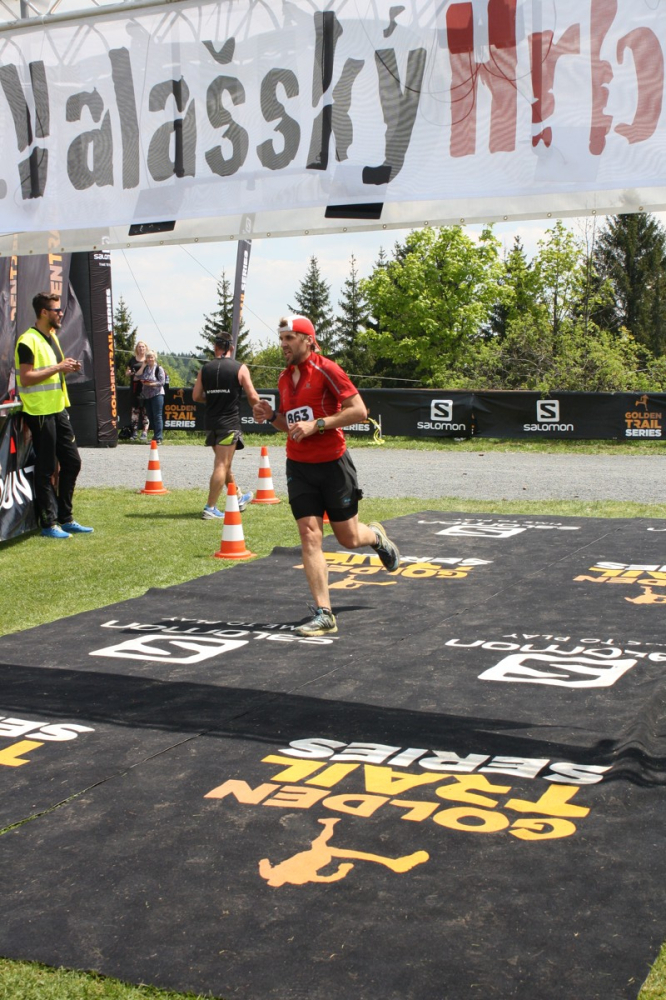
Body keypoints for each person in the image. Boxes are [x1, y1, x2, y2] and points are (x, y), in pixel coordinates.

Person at [252, 314, 400, 636]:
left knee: (349, 538)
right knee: (309, 535)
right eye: (281, 339)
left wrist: (317, 424)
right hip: (299, 466)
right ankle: (325, 614)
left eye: (289, 338)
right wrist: (272, 416)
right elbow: (290, 426)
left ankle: (376, 537)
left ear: (308, 340)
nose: (283, 345)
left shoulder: (327, 369)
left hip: (333, 465)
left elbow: (359, 411)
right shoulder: (283, 378)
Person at [14, 292, 93, 538]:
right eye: (57, 310)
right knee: (46, 468)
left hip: (58, 408)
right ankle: (49, 523)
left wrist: (66, 368)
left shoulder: (52, 337)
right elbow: (26, 378)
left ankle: (65, 518)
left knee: (72, 462)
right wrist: (58, 367)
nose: (61, 314)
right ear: (44, 312)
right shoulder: (28, 340)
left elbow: (51, 372)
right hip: (39, 411)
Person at [192, 333, 261, 517]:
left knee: (225, 463)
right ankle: (210, 507)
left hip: (211, 423)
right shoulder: (240, 368)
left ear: (215, 347)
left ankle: (237, 497)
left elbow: (196, 396)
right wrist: (261, 410)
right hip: (229, 423)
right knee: (222, 464)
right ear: (231, 347)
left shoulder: (205, 369)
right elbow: (252, 396)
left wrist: (213, 397)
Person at [135, 350, 165, 444]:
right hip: (147, 395)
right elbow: (137, 377)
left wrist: (151, 384)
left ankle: (158, 437)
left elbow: (162, 382)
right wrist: (143, 365)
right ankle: (155, 436)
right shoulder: (146, 368)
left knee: (157, 416)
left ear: (155, 358)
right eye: (148, 357)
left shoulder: (159, 368)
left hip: (157, 394)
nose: (150, 359)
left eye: (151, 357)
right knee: (151, 416)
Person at [126, 340, 150, 440]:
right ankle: (134, 432)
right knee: (135, 411)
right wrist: (129, 373)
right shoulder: (132, 359)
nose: (141, 348)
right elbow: (127, 372)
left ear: (146, 348)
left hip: (146, 388)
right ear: (137, 348)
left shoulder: (148, 359)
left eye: (143, 347)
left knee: (145, 411)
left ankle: (145, 432)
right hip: (135, 388)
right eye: (139, 347)